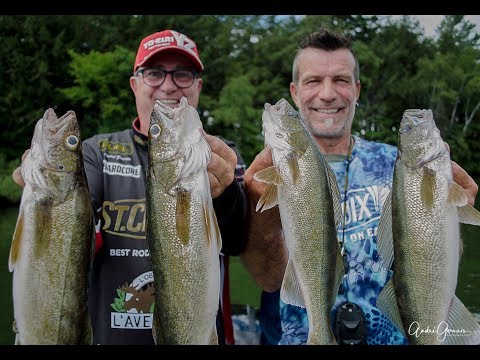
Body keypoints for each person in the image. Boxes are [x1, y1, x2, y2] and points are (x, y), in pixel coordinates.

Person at [240, 28, 479, 345]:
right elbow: (268, 279)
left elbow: (438, 262)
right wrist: (261, 222)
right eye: (313, 81)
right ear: (295, 92)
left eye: (340, 80)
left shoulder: (401, 164)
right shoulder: (263, 176)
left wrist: (447, 218)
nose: (328, 94)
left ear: (357, 89)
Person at [12, 29, 247, 345]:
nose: (168, 85)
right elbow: (74, 231)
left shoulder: (224, 158)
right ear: (135, 84)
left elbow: (238, 245)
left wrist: (228, 193)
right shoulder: (96, 152)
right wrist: (46, 198)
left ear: (198, 86)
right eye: (153, 73)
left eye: (183, 74)